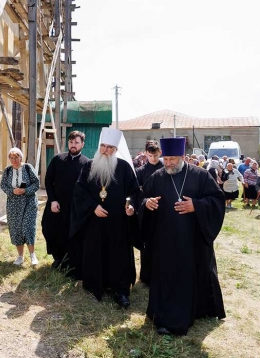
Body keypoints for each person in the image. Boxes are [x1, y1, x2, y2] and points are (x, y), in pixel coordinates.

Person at [139, 136, 226, 335]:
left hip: (192, 240)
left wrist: (197, 205)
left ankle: (195, 309)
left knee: (191, 274)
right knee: (166, 276)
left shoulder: (201, 175)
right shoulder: (157, 176)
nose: (168, 163)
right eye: (166, 159)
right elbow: (142, 196)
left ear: (183, 157)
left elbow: (217, 200)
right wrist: (147, 203)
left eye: (173, 159)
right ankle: (164, 315)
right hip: (164, 240)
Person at [70, 128, 139, 308]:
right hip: (95, 222)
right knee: (95, 252)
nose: (105, 150)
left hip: (118, 222)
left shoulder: (124, 168)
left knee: (118, 255)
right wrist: (93, 207)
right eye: (103, 146)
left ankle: (120, 290)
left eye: (109, 147)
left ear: (116, 149)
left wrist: (131, 205)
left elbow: (134, 192)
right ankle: (95, 286)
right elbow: (79, 191)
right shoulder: (89, 166)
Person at [41, 131, 89, 270]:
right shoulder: (58, 159)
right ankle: (57, 257)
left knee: (70, 234)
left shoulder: (86, 163)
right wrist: (52, 200)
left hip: (74, 207)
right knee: (49, 229)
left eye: (76, 142)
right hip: (56, 204)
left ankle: (69, 261)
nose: (73, 145)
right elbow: (48, 180)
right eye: (71, 142)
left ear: (82, 144)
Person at [0, 147, 41, 265]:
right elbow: (3, 185)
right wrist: (12, 191)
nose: (14, 160)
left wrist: (25, 190)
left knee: (28, 227)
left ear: (21, 157)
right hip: (13, 204)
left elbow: (36, 183)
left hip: (29, 202)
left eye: (16, 157)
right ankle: (20, 256)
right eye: (11, 158)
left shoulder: (28, 168)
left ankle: (32, 255)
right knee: (16, 228)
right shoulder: (7, 171)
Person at [134, 140, 164, 284]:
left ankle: (162, 274)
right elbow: (136, 193)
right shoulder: (140, 172)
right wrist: (146, 201)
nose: (153, 158)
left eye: (156, 156)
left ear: (160, 153)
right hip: (146, 213)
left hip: (163, 212)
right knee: (147, 244)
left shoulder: (165, 168)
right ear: (146, 154)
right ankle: (146, 276)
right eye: (150, 156)